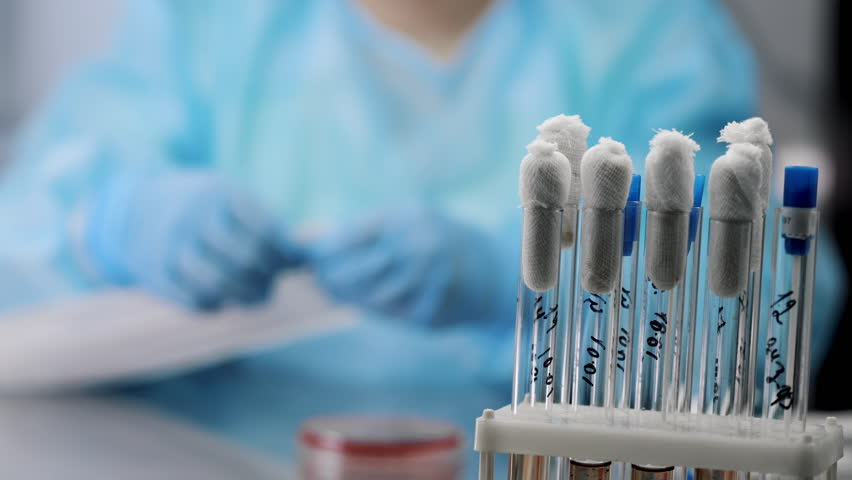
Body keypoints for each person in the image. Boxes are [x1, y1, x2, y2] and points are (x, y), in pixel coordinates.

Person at [1, 0, 841, 472]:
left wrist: (516, 287)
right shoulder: (211, 27)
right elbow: (26, 233)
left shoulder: (644, 33)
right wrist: (109, 225)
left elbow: (767, 309)